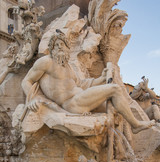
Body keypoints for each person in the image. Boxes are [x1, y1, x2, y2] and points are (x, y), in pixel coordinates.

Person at [21, 31, 155, 134]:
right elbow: (26, 80)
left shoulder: (68, 67)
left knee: (116, 110)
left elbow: (83, 84)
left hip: (81, 98)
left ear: (68, 48)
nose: (60, 47)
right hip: (71, 103)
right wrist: (32, 98)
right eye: (57, 45)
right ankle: (136, 125)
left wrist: (101, 79)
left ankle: (118, 150)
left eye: (63, 44)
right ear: (52, 48)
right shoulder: (46, 62)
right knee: (114, 89)